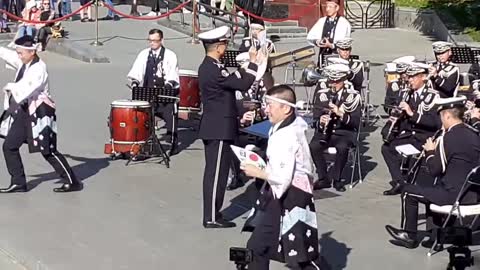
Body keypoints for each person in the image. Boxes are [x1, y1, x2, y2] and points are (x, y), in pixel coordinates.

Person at [240, 85, 320, 270]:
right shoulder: (292, 125)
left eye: (270, 105)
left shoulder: (285, 135)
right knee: (291, 249)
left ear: (286, 108)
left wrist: (258, 172)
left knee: (261, 248)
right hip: (291, 194)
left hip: (288, 196)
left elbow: (282, 178)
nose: (265, 109)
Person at [385, 96, 480, 249]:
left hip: (455, 195)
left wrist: (430, 152)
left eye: (441, 116)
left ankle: (409, 235)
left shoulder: (447, 137)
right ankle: (435, 237)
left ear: (448, 115)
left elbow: (435, 170)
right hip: (473, 194)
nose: (441, 120)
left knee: (409, 191)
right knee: (432, 190)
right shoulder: (474, 134)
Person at [0, 36, 82, 193]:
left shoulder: (39, 68)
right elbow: (8, 55)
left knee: (48, 150)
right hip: (23, 112)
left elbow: (27, 88)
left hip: (39, 113)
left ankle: (72, 181)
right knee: (9, 146)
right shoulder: (25, 63)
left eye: (21, 53)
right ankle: (18, 182)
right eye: (18, 52)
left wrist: (11, 86)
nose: (18, 56)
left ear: (32, 52)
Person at [197, 26, 259, 228]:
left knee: (220, 172)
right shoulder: (213, 69)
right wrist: (254, 64)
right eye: (223, 43)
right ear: (218, 47)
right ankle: (211, 217)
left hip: (219, 126)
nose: (225, 47)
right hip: (218, 127)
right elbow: (241, 84)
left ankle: (214, 214)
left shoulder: (213, 66)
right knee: (216, 174)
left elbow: (232, 80)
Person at [381, 62, 441, 196]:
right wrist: (395, 117)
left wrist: (411, 113)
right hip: (410, 135)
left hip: (425, 138)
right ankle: (399, 182)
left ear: (423, 77)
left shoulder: (432, 96)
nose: (410, 80)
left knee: (414, 155)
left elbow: (434, 123)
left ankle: (412, 183)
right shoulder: (406, 93)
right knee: (386, 148)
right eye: (409, 77)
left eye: (414, 77)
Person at [309, 63, 361, 192]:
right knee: (313, 146)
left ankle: (337, 179)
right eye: (331, 81)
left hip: (344, 132)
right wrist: (320, 121)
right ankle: (323, 178)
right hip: (324, 132)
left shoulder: (353, 97)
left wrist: (340, 114)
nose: (333, 84)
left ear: (343, 81)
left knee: (342, 148)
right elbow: (314, 119)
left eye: (337, 81)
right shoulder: (322, 94)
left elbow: (355, 122)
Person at [127, 29, 180, 155]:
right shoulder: (144, 54)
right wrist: (135, 82)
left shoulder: (170, 55)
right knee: (141, 116)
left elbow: (173, 73)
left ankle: (173, 142)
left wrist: (168, 85)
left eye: (155, 41)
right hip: (148, 92)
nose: (152, 43)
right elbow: (137, 70)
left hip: (164, 94)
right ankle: (144, 142)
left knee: (170, 112)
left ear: (162, 40)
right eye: (150, 41)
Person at [306, 0, 351, 67]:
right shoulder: (322, 21)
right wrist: (317, 41)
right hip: (322, 57)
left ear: (337, 8)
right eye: (326, 7)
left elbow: (345, 44)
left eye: (330, 7)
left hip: (338, 60)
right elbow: (310, 37)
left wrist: (330, 45)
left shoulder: (344, 23)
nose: (327, 9)